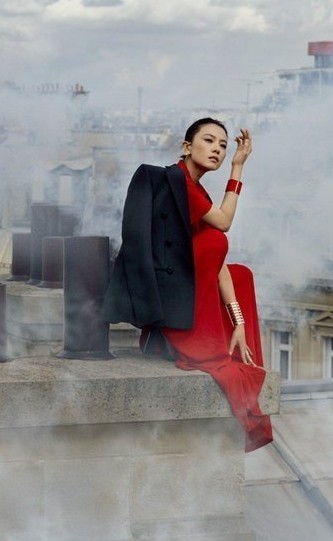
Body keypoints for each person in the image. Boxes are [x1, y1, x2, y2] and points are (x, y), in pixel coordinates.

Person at [103, 117, 272, 452]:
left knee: (241, 274)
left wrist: (238, 323)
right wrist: (238, 169)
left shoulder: (192, 188)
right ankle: (189, 339)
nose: (218, 150)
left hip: (188, 288)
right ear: (186, 146)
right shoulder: (180, 182)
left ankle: (223, 340)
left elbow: (218, 263)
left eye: (224, 146)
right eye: (209, 141)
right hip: (178, 299)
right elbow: (223, 222)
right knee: (219, 246)